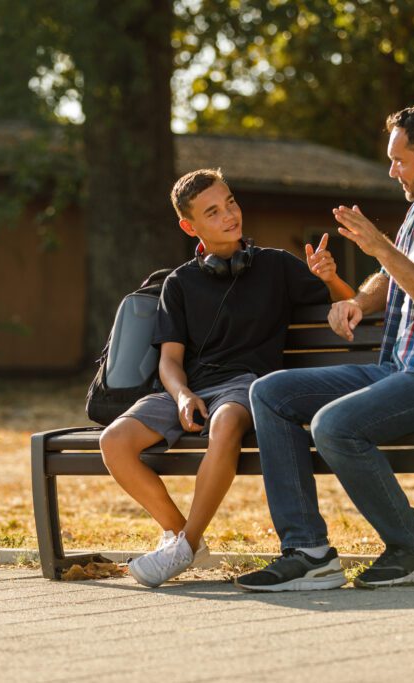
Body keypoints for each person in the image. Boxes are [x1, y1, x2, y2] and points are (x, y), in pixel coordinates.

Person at [236, 101, 414, 592]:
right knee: (270, 393)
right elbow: (393, 278)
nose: (392, 171)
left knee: (335, 425)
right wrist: (360, 301)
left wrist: (380, 247)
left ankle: (412, 549)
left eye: (399, 160)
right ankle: (308, 552)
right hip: (403, 369)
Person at [101, 168, 354, 588]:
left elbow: (350, 307)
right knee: (113, 441)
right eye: (213, 211)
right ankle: (182, 537)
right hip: (191, 389)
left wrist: (329, 278)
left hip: (249, 386)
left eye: (231, 202)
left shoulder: (276, 266)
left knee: (226, 423)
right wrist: (182, 396)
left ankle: (183, 545)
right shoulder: (179, 283)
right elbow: (169, 360)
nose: (230, 215)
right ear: (190, 226)